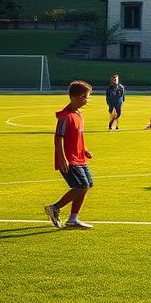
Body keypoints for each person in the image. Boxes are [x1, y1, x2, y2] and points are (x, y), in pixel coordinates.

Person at [44, 81, 95, 230]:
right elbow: (58, 137)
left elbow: (78, 135)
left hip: (80, 158)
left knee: (87, 185)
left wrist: (84, 149)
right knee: (81, 185)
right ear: (74, 98)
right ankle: (55, 208)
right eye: (84, 97)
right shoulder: (65, 116)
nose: (87, 100)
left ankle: (73, 219)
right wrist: (62, 158)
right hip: (69, 159)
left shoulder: (79, 114)